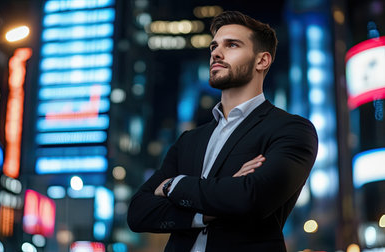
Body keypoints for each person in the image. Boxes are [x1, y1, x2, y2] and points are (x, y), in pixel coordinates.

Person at [127, 10, 318, 252]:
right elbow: (138, 213)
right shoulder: (189, 140)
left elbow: (252, 198)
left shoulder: (291, 129)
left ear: (262, 61)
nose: (216, 53)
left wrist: (173, 185)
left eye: (232, 45)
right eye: (214, 46)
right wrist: (207, 212)